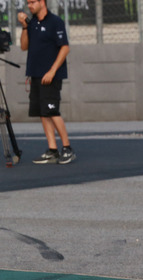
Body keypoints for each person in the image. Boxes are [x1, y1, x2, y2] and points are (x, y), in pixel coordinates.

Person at [17, 0, 74, 165]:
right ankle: (52, 150)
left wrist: (52, 71)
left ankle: (67, 148)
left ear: (42, 2)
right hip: (35, 75)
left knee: (52, 111)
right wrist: (24, 26)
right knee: (43, 113)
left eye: (33, 2)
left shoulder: (55, 22)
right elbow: (23, 46)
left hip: (51, 76)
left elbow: (65, 48)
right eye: (28, 3)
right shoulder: (32, 23)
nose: (30, 6)